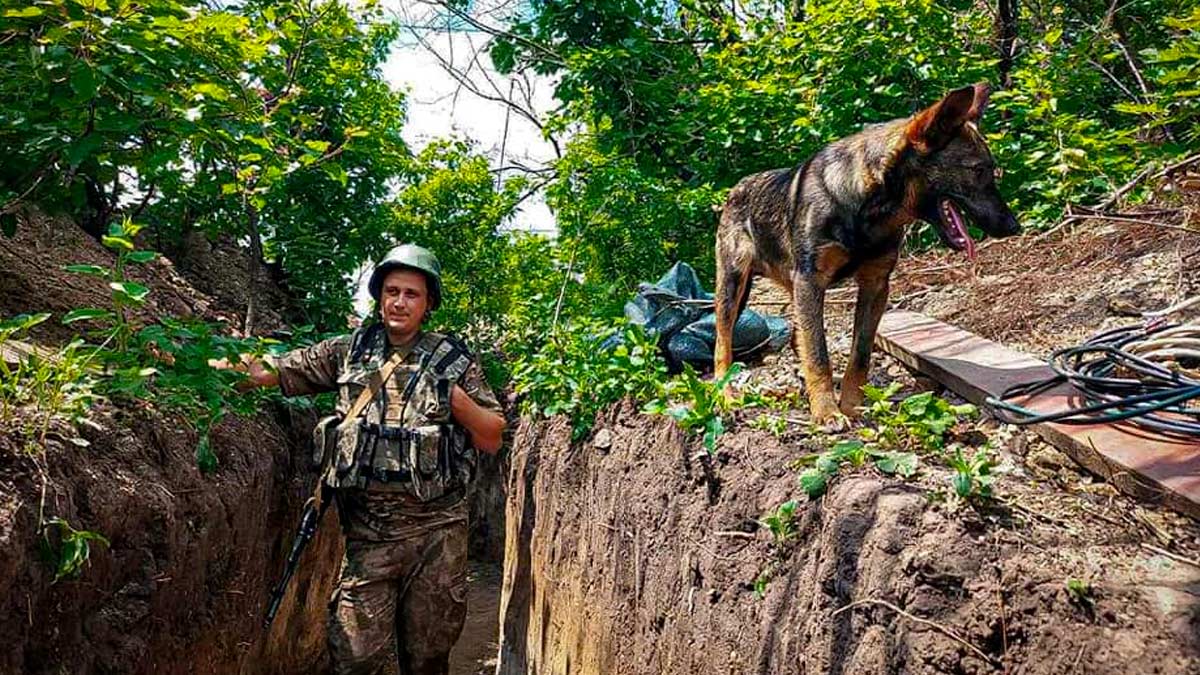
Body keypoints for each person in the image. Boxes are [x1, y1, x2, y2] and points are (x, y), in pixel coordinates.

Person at [229, 243, 505, 675]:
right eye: (391, 291)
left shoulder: (453, 361)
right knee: (354, 658)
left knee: (428, 658)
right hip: (368, 536)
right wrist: (195, 364)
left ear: (428, 302)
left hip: (437, 534)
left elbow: (492, 436)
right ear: (379, 296)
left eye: (411, 293)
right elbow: (272, 371)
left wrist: (456, 400)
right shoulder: (348, 351)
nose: (399, 302)